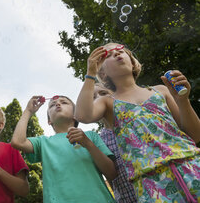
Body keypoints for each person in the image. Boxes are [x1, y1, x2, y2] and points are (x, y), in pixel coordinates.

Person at [75, 43, 200, 202]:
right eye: (109, 55)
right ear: (103, 72)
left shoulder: (160, 90)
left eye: (121, 51)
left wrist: (183, 101)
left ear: (132, 61)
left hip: (192, 165)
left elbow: (195, 136)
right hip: (151, 183)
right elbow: (82, 115)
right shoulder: (107, 102)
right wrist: (90, 73)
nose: (117, 54)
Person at [11, 95, 117, 203]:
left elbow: (111, 173)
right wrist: (28, 111)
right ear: (49, 121)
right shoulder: (43, 142)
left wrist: (88, 144)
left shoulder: (91, 136)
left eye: (64, 102)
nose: (57, 104)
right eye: (52, 105)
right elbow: (17, 142)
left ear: (75, 115)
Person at [94, 83, 137, 203]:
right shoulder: (99, 140)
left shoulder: (137, 122)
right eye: (93, 98)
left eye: (103, 93)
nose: (99, 98)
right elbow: (109, 176)